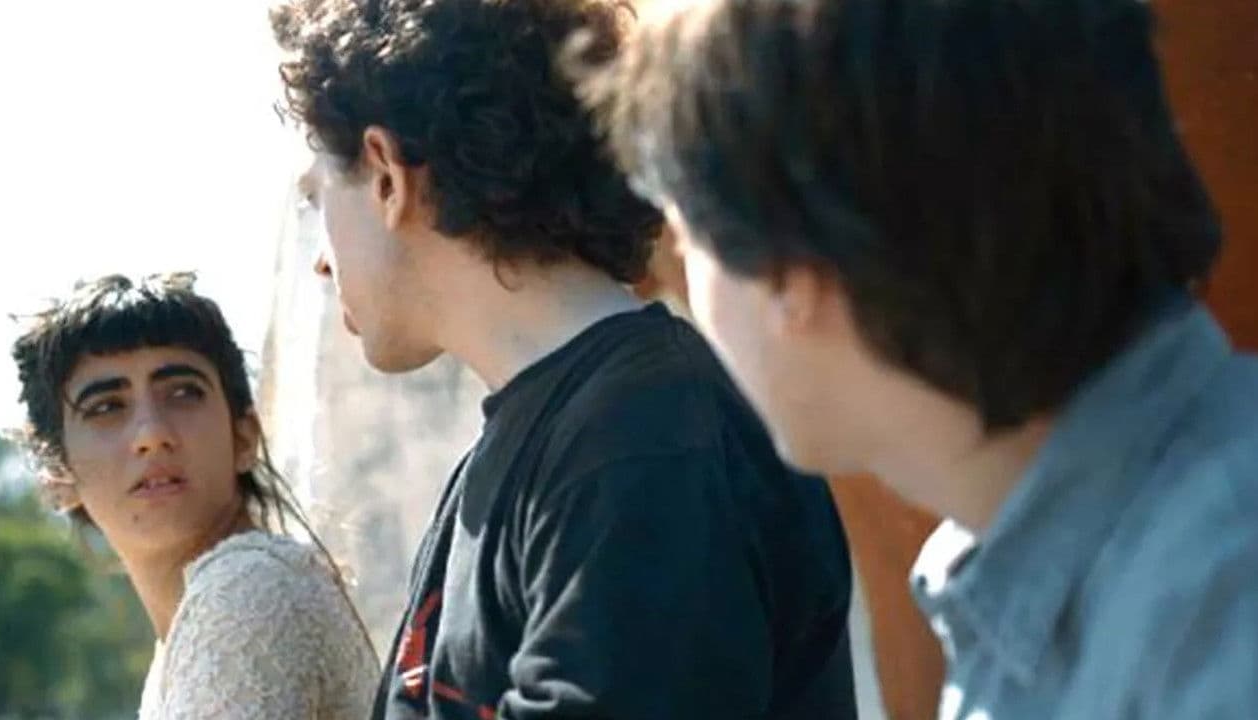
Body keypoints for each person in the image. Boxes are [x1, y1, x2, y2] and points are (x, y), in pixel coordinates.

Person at [576, 0, 1258, 716]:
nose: (681, 278)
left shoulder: (1227, 614)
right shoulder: (1027, 560)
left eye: (688, 238)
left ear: (791, 274)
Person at [271, 0, 858, 717]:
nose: (322, 262)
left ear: (388, 176)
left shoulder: (648, 438)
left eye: (317, 199)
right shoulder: (562, 436)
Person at [10, 272, 379, 719]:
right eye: (107, 407)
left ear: (244, 437)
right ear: (58, 475)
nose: (152, 434)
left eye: (183, 393)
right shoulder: (183, 636)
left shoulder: (245, 588)